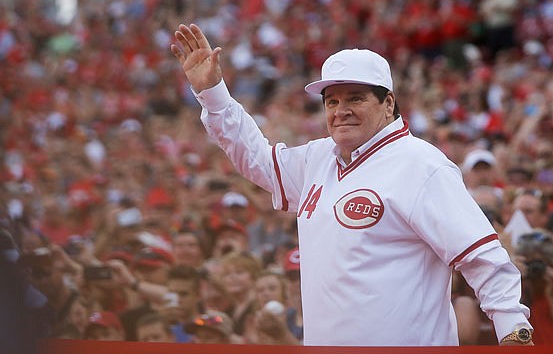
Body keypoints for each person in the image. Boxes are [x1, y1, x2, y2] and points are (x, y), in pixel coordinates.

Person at [170, 23, 532, 346]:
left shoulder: (421, 164)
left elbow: (482, 256)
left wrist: (514, 331)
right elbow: (257, 159)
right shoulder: (317, 158)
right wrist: (214, 94)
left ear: (388, 103)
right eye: (332, 101)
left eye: (356, 98)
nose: (340, 110)